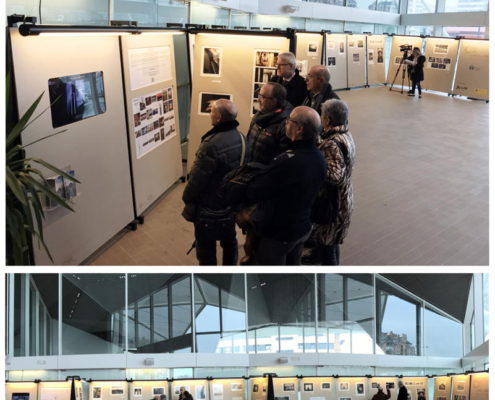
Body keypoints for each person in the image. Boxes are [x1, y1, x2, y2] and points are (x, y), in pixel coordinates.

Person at [244, 106, 326, 265]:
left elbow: (257, 190)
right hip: (302, 227)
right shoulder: (319, 157)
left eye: (290, 121)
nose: (286, 124)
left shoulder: (288, 162)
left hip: (279, 234)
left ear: (299, 129)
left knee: (271, 280)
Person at [182, 99, 245, 265]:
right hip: (230, 203)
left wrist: (187, 198)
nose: (210, 115)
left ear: (218, 118)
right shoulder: (242, 138)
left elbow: (197, 179)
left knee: (205, 247)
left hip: (209, 206)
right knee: (230, 240)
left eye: (212, 112)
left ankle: (210, 279)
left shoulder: (210, 145)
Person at [304, 99, 355, 265]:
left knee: (329, 246)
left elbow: (335, 176)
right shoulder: (345, 135)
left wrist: (315, 166)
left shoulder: (333, 143)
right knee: (329, 241)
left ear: (327, 120)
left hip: (334, 203)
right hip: (344, 198)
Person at [247, 82, 293, 164]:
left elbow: (283, 159)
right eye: (259, 95)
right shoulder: (258, 116)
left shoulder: (285, 125)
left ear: (274, 101)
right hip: (250, 170)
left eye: (263, 97)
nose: (258, 100)